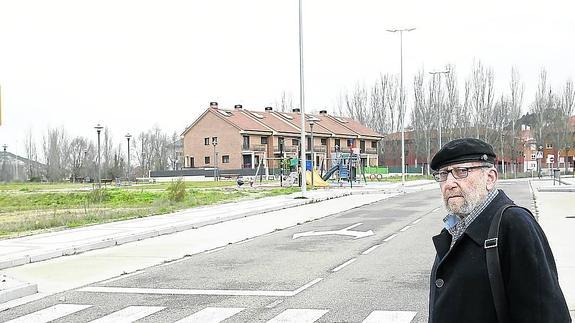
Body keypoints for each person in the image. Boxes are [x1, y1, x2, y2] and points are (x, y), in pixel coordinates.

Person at [428, 138, 570, 323]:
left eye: (461, 172)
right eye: (443, 174)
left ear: (490, 178)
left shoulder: (515, 225)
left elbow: (546, 315)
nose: (449, 183)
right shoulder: (454, 228)